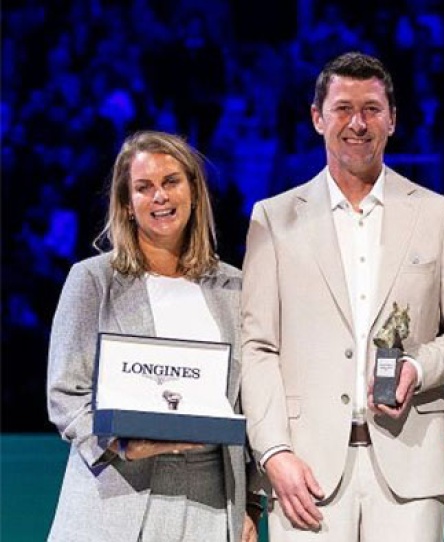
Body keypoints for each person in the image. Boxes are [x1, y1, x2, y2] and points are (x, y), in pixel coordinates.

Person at [240, 52, 444, 542]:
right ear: (317, 118)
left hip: (411, 465)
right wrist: (273, 453)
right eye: (342, 108)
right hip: (306, 470)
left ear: (392, 120)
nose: (358, 123)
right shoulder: (272, 219)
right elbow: (258, 347)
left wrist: (419, 366)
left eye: (372, 109)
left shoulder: (438, 214)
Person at [46, 131, 259, 541]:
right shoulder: (93, 280)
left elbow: (251, 399)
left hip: (210, 501)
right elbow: (64, 394)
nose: (159, 196)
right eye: (144, 187)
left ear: (194, 192)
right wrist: (122, 445)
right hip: (115, 496)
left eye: (171, 182)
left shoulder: (234, 287)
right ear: (127, 205)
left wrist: (252, 501)